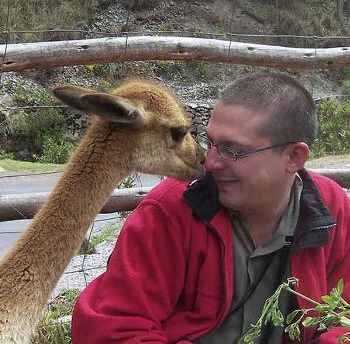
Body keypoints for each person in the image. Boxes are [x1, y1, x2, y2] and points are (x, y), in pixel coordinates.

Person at [71, 73, 350, 343]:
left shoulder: (330, 208)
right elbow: (110, 328)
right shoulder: (170, 211)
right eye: (211, 143)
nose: (210, 162)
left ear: (294, 157)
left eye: (232, 150)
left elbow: (344, 316)